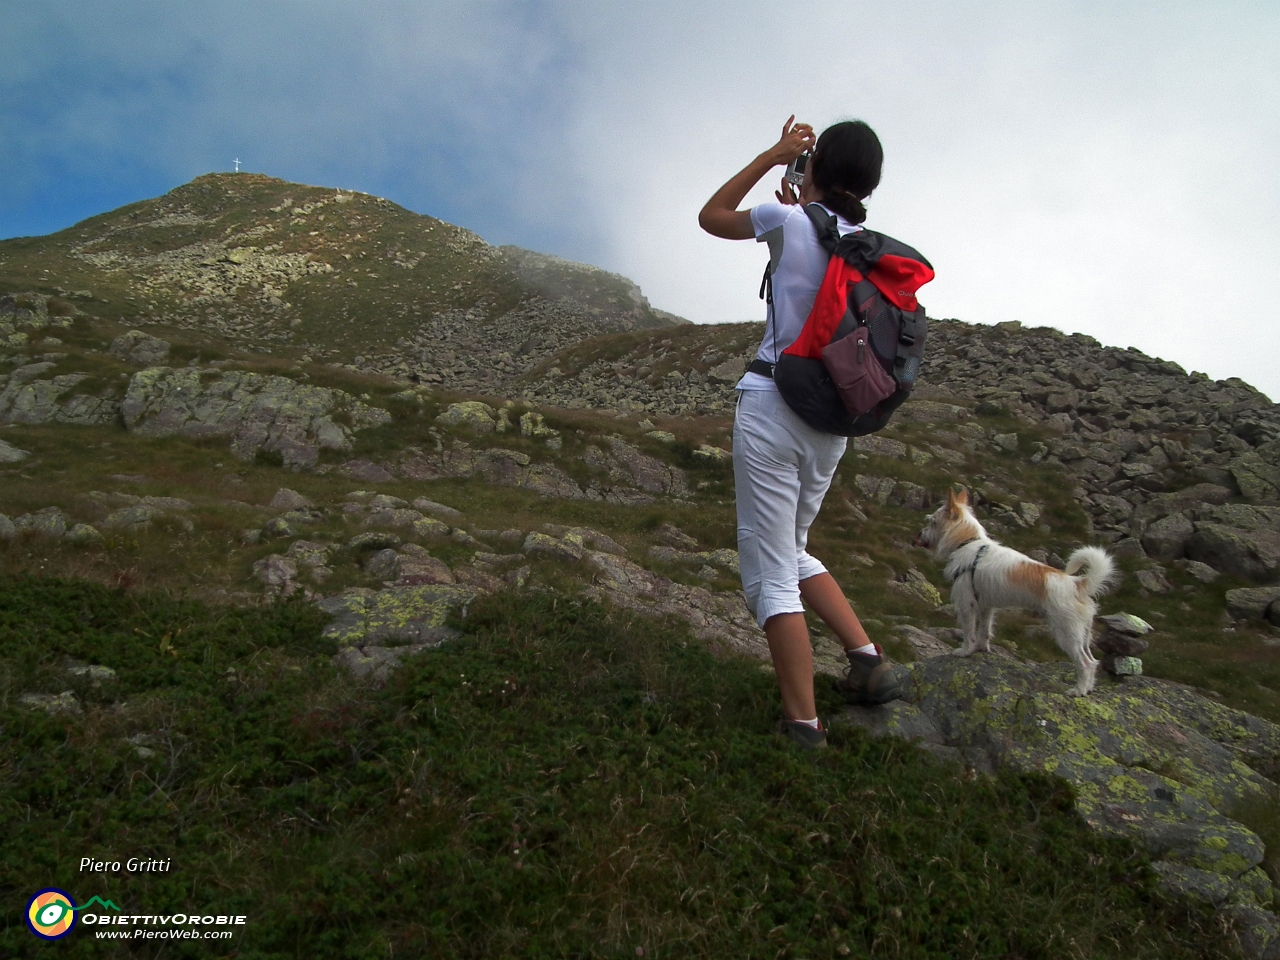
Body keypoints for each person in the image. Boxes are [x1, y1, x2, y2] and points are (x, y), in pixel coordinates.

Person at [698, 116, 902, 750]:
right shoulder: (869, 248)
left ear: (813, 166)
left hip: (772, 407)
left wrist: (774, 152)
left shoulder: (786, 224)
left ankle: (803, 728)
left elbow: (712, 215)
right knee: (793, 544)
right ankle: (867, 661)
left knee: (770, 575)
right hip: (833, 422)